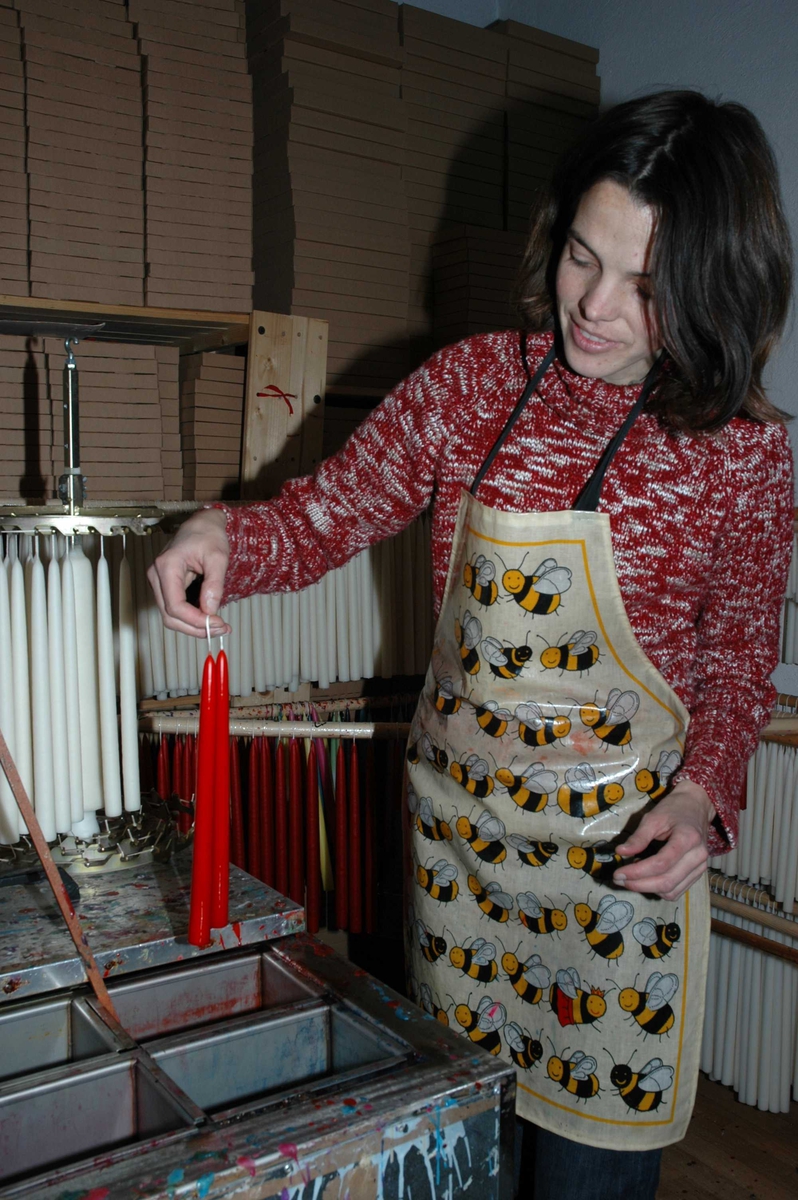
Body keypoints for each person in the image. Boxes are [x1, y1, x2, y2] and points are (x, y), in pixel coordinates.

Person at [149, 91, 793, 1199]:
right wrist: (227, 534)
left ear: (712, 287)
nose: (591, 306)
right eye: (583, 257)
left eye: (643, 286)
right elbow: (326, 514)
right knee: (462, 1168)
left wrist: (706, 797)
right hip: (465, 874)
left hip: (615, 893)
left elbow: (737, 656)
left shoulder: (744, 455)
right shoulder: (471, 385)